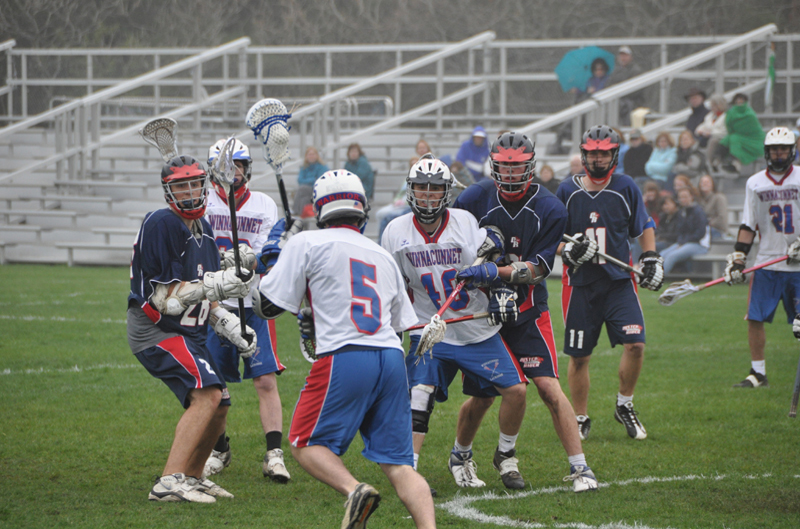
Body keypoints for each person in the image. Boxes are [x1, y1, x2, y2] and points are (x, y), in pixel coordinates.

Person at [253, 169, 437, 528]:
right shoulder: (381, 255)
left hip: (345, 355)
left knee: (305, 444)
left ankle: (354, 490)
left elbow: (266, 305)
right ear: (361, 209)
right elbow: (403, 323)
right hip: (390, 357)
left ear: (320, 209)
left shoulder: (307, 242)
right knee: (399, 464)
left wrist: (270, 259)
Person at [454, 132, 599, 493]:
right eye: (504, 165)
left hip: (527, 309)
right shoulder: (474, 198)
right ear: (494, 165)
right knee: (485, 395)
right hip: (484, 315)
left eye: (517, 166)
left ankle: (578, 468)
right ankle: (461, 455)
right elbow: (456, 247)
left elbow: (537, 270)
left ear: (530, 166)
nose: (511, 173)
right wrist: (481, 275)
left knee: (550, 389)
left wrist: (496, 272)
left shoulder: (550, 208)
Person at [381, 154, 529, 490]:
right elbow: (391, 285)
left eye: (435, 189)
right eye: (421, 188)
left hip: (475, 328)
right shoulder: (395, 231)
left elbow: (493, 270)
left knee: (516, 391)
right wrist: (396, 328)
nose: (428, 195)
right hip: (429, 328)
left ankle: (505, 455)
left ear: (446, 192)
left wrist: (498, 289)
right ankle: (410, 472)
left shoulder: (464, 222)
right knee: (419, 394)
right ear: (411, 190)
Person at [128, 155, 256, 502]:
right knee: (207, 394)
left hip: (190, 333)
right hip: (157, 329)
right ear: (168, 191)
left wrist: (229, 325)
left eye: (193, 184)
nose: (188, 192)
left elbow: (207, 296)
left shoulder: (206, 229)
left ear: (204, 185)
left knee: (221, 402)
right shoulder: (161, 223)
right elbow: (163, 300)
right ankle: (168, 482)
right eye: (180, 185)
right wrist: (218, 284)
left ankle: (193, 477)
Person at [556, 125, 664, 442]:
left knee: (636, 344)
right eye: (593, 153)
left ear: (614, 154)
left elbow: (643, 225)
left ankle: (624, 404)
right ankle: (579, 417)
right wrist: (569, 249)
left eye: (604, 153)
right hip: (580, 285)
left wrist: (651, 257)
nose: (598, 159)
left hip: (618, 282)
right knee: (579, 357)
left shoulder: (625, 187)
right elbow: (548, 239)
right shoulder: (567, 190)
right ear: (584, 153)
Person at [202, 139, 290, 483]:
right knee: (213, 387)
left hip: (253, 304)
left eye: (237, 165)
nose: (232, 172)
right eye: (225, 166)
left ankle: (273, 455)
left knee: (265, 380)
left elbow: (267, 253)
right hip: (214, 307)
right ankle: (219, 449)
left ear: (247, 167)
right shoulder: (204, 204)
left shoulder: (264, 205)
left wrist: (256, 258)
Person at [724, 127, 800, 389]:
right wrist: (738, 258)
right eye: (774, 150)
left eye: (783, 149)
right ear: (767, 152)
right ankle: (758, 373)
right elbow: (749, 223)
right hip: (767, 261)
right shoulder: (755, 182)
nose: (779, 154)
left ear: (791, 151)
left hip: (798, 266)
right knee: (755, 317)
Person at [660, 187, 709, 274]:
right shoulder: (682, 212)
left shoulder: (698, 212)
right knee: (662, 254)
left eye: (685, 197)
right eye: (681, 197)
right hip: (684, 243)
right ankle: (652, 275)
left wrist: (684, 242)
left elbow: (700, 233)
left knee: (672, 256)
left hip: (698, 244)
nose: (683, 199)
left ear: (691, 197)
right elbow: (680, 232)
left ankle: (660, 278)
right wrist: (681, 242)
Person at [719, 92, 766, 172]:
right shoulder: (731, 113)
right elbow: (729, 127)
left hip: (753, 139)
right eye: (737, 101)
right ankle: (720, 161)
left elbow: (754, 128)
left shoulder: (750, 114)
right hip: (737, 136)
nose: (739, 103)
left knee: (734, 139)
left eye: (741, 101)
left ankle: (735, 163)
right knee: (725, 141)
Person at [605, 46, 644, 125]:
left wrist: (618, 93)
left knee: (623, 106)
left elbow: (636, 91)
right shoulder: (615, 71)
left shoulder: (636, 70)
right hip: (618, 101)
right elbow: (608, 85)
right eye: (621, 56)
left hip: (632, 102)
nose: (623, 58)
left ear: (631, 57)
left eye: (625, 55)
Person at [694, 94, 728, 171]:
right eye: (712, 105)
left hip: (721, 139)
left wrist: (711, 133)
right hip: (707, 137)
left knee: (713, 141)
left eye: (715, 105)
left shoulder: (726, 116)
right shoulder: (709, 116)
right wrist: (700, 131)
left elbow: (724, 131)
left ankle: (708, 162)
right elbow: (703, 126)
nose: (713, 107)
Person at [293, 146, 329, 217]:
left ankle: (295, 210)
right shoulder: (304, 167)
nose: (311, 156)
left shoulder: (322, 167)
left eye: (313, 154)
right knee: (304, 199)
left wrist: (307, 181)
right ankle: (301, 216)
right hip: (307, 192)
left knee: (302, 189)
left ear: (317, 155)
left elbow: (320, 181)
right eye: (309, 154)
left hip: (317, 190)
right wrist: (312, 179)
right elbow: (300, 180)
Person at [697, 174, 729, 240]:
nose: (704, 184)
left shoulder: (719, 198)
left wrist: (707, 224)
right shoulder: (699, 199)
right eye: (702, 182)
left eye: (707, 182)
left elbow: (722, 218)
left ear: (712, 184)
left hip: (716, 230)